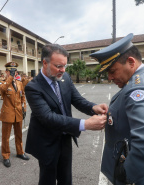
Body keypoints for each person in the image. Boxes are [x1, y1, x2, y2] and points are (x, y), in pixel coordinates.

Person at [25, 44, 108, 185]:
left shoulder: (65, 78)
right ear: (45, 63)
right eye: (58, 66)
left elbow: (77, 100)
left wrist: (94, 107)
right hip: (46, 142)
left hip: (65, 138)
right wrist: (85, 124)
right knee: (47, 180)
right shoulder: (33, 87)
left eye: (65, 66)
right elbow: (48, 117)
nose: (62, 70)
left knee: (66, 179)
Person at [90, 33, 144, 185]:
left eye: (113, 71)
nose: (109, 77)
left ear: (131, 62)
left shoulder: (138, 88)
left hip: (140, 178)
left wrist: (127, 172)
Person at [0, 62, 29, 168]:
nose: (13, 73)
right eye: (11, 71)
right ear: (6, 72)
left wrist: (24, 108)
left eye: (15, 71)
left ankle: (20, 152)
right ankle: (6, 156)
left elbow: (22, 96)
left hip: (18, 113)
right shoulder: (2, 82)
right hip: (7, 114)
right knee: (6, 137)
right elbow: (2, 89)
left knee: (19, 134)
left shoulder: (19, 83)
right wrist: (10, 78)